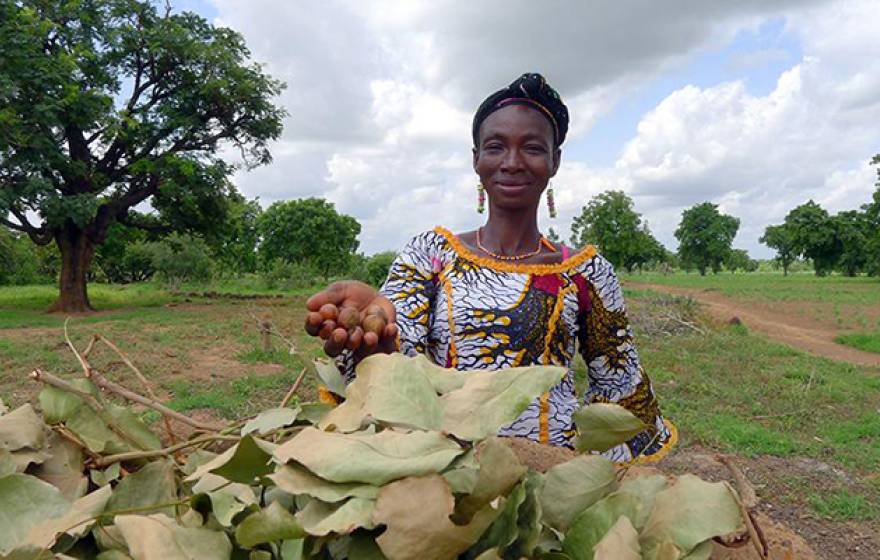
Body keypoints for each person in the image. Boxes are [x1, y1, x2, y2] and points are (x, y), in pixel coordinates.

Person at [305, 73, 676, 464]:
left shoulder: (585, 272)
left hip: (550, 475)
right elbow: (398, 348)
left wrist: (594, 476)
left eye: (532, 148)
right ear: (476, 159)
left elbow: (619, 384)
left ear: (555, 161)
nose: (512, 163)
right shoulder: (431, 254)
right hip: (445, 469)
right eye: (496, 147)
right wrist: (372, 338)